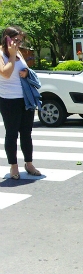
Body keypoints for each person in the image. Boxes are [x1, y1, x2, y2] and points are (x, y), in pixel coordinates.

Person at [0, 26, 41, 180]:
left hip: (25, 99)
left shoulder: (18, 53)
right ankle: (14, 166)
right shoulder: (2, 54)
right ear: (7, 38)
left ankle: (29, 164)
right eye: (15, 40)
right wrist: (11, 56)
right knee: (11, 134)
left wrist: (26, 72)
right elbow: (5, 73)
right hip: (9, 100)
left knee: (26, 133)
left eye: (20, 41)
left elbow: (23, 71)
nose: (18, 43)